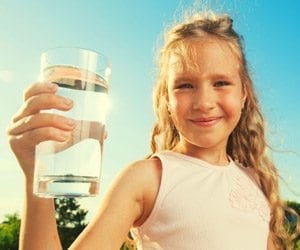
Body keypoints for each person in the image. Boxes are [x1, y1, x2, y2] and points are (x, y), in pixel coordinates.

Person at [7, 11, 298, 250]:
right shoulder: (148, 178)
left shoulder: (256, 180)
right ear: (166, 100)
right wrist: (37, 173)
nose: (204, 102)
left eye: (221, 83)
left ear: (244, 93)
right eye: (184, 85)